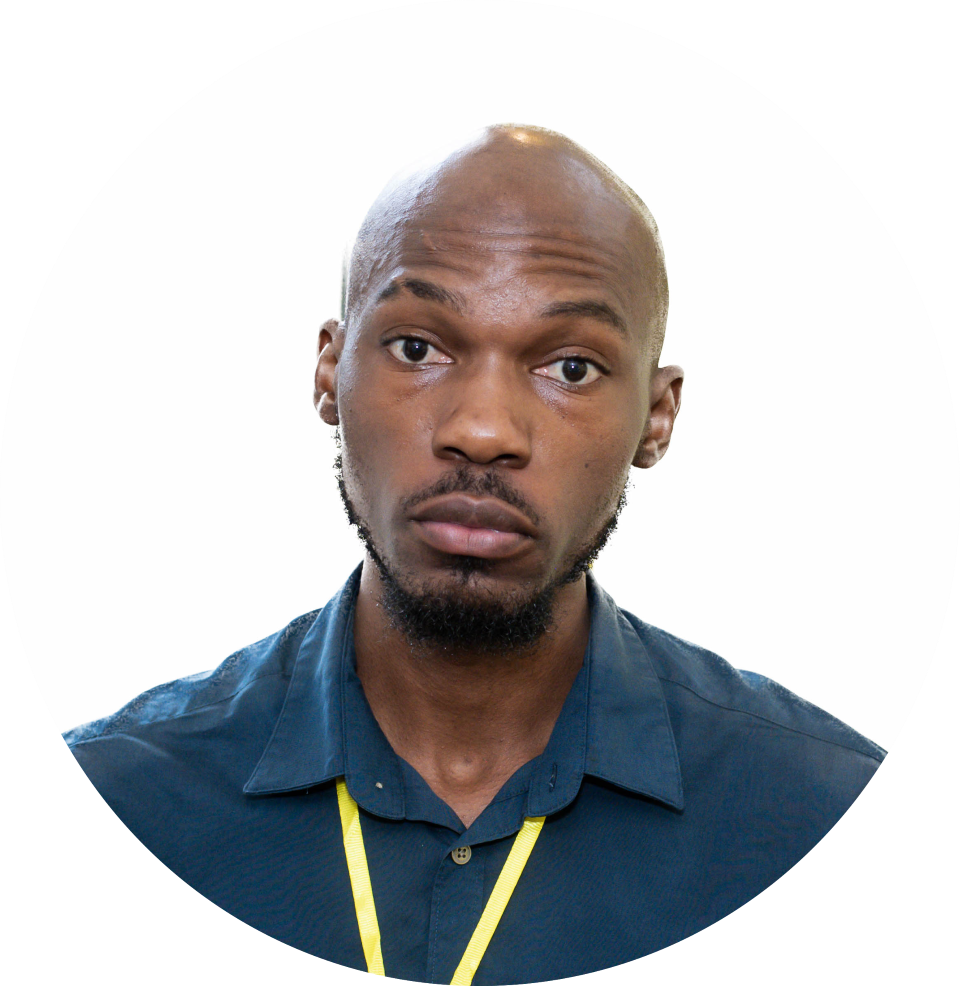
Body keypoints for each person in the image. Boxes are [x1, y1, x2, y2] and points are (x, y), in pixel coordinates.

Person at [63, 124, 885, 981]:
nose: (483, 430)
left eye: (571, 367)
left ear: (657, 416)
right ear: (329, 373)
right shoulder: (124, 796)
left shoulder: (816, 814)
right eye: (417, 348)